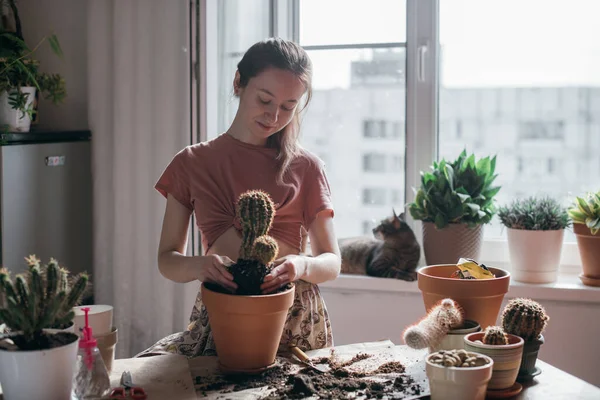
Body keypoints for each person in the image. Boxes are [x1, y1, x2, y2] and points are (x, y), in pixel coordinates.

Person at [137, 37, 341, 358]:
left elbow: (331, 261)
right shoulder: (191, 162)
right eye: (265, 100)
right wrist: (199, 266)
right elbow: (167, 259)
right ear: (239, 83)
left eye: (288, 106)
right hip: (225, 311)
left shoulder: (307, 166)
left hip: (297, 318)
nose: (274, 116)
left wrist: (302, 265)